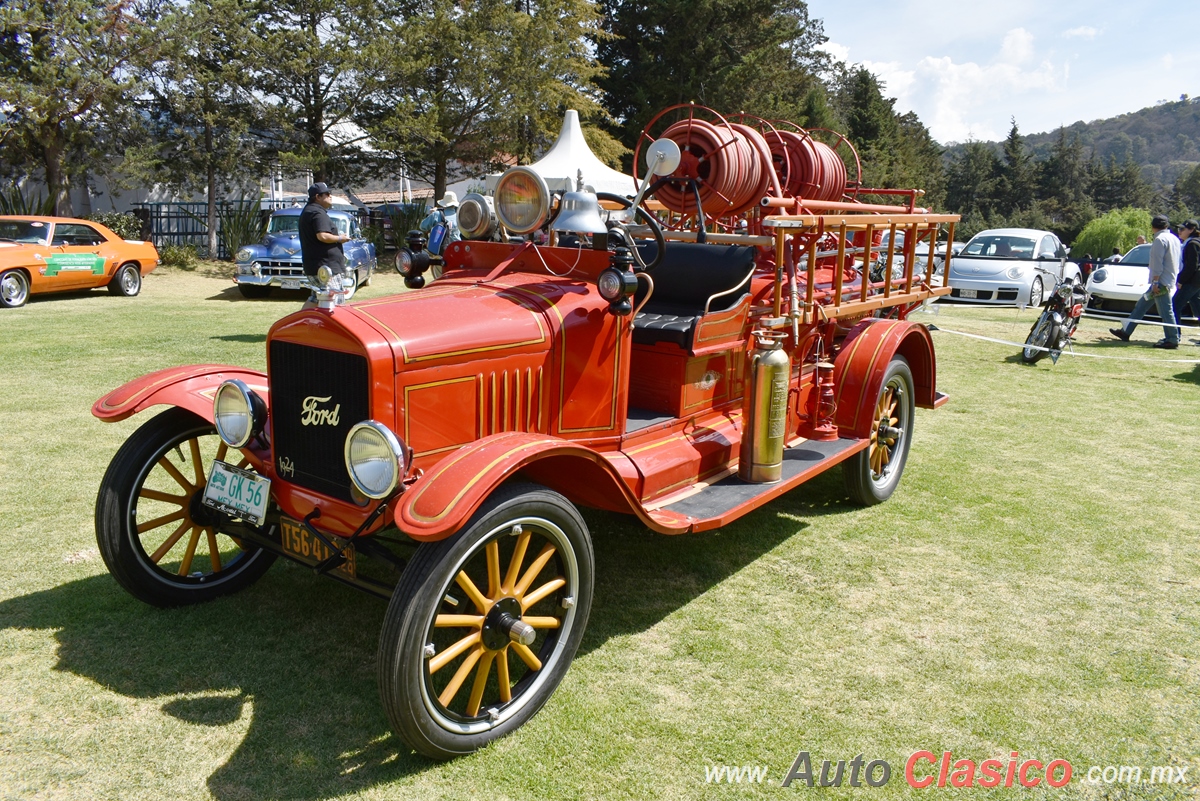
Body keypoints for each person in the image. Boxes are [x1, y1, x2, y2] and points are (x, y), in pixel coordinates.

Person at [1110, 215, 1181, 348]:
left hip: (1160, 281)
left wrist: (1155, 282)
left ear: (1153, 227)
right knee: (1141, 305)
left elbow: (1156, 263)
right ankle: (1126, 331)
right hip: (1168, 278)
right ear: (1167, 226)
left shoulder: (1159, 240)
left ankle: (1172, 339)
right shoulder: (1175, 239)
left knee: (1166, 311)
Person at [1172, 220, 1200, 332]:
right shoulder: (1194, 242)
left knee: (1175, 305)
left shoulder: (1192, 243)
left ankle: (1174, 336)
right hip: (1196, 281)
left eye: (1182, 229)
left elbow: (1192, 266)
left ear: (1191, 230)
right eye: (1179, 229)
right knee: (1197, 305)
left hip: (1192, 281)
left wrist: (1181, 280)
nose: (1179, 231)